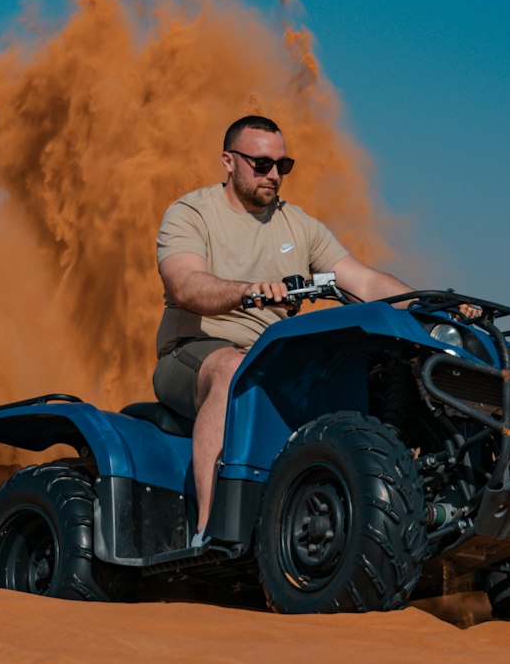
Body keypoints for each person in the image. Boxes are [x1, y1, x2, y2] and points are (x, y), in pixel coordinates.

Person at [153, 114, 415, 542]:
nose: (274, 175)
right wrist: (249, 292)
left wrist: (429, 305)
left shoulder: (299, 226)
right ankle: (209, 530)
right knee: (233, 372)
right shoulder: (192, 213)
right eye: (261, 164)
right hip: (195, 352)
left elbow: (364, 281)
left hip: (271, 360)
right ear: (228, 161)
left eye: (282, 166)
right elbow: (185, 285)